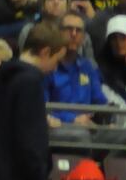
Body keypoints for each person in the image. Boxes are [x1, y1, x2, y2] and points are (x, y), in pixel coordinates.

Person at [0, 22, 66, 180]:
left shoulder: (4, 77)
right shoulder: (30, 82)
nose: (55, 68)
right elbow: (29, 141)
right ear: (45, 52)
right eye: (56, 61)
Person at [44, 12, 108, 143]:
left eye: (78, 30)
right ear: (58, 32)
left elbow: (100, 100)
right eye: (68, 29)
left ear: (83, 36)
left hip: (88, 127)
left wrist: (110, 116)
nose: (74, 34)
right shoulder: (48, 67)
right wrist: (72, 119)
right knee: (80, 135)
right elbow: (40, 108)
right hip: (59, 128)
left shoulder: (87, 66)